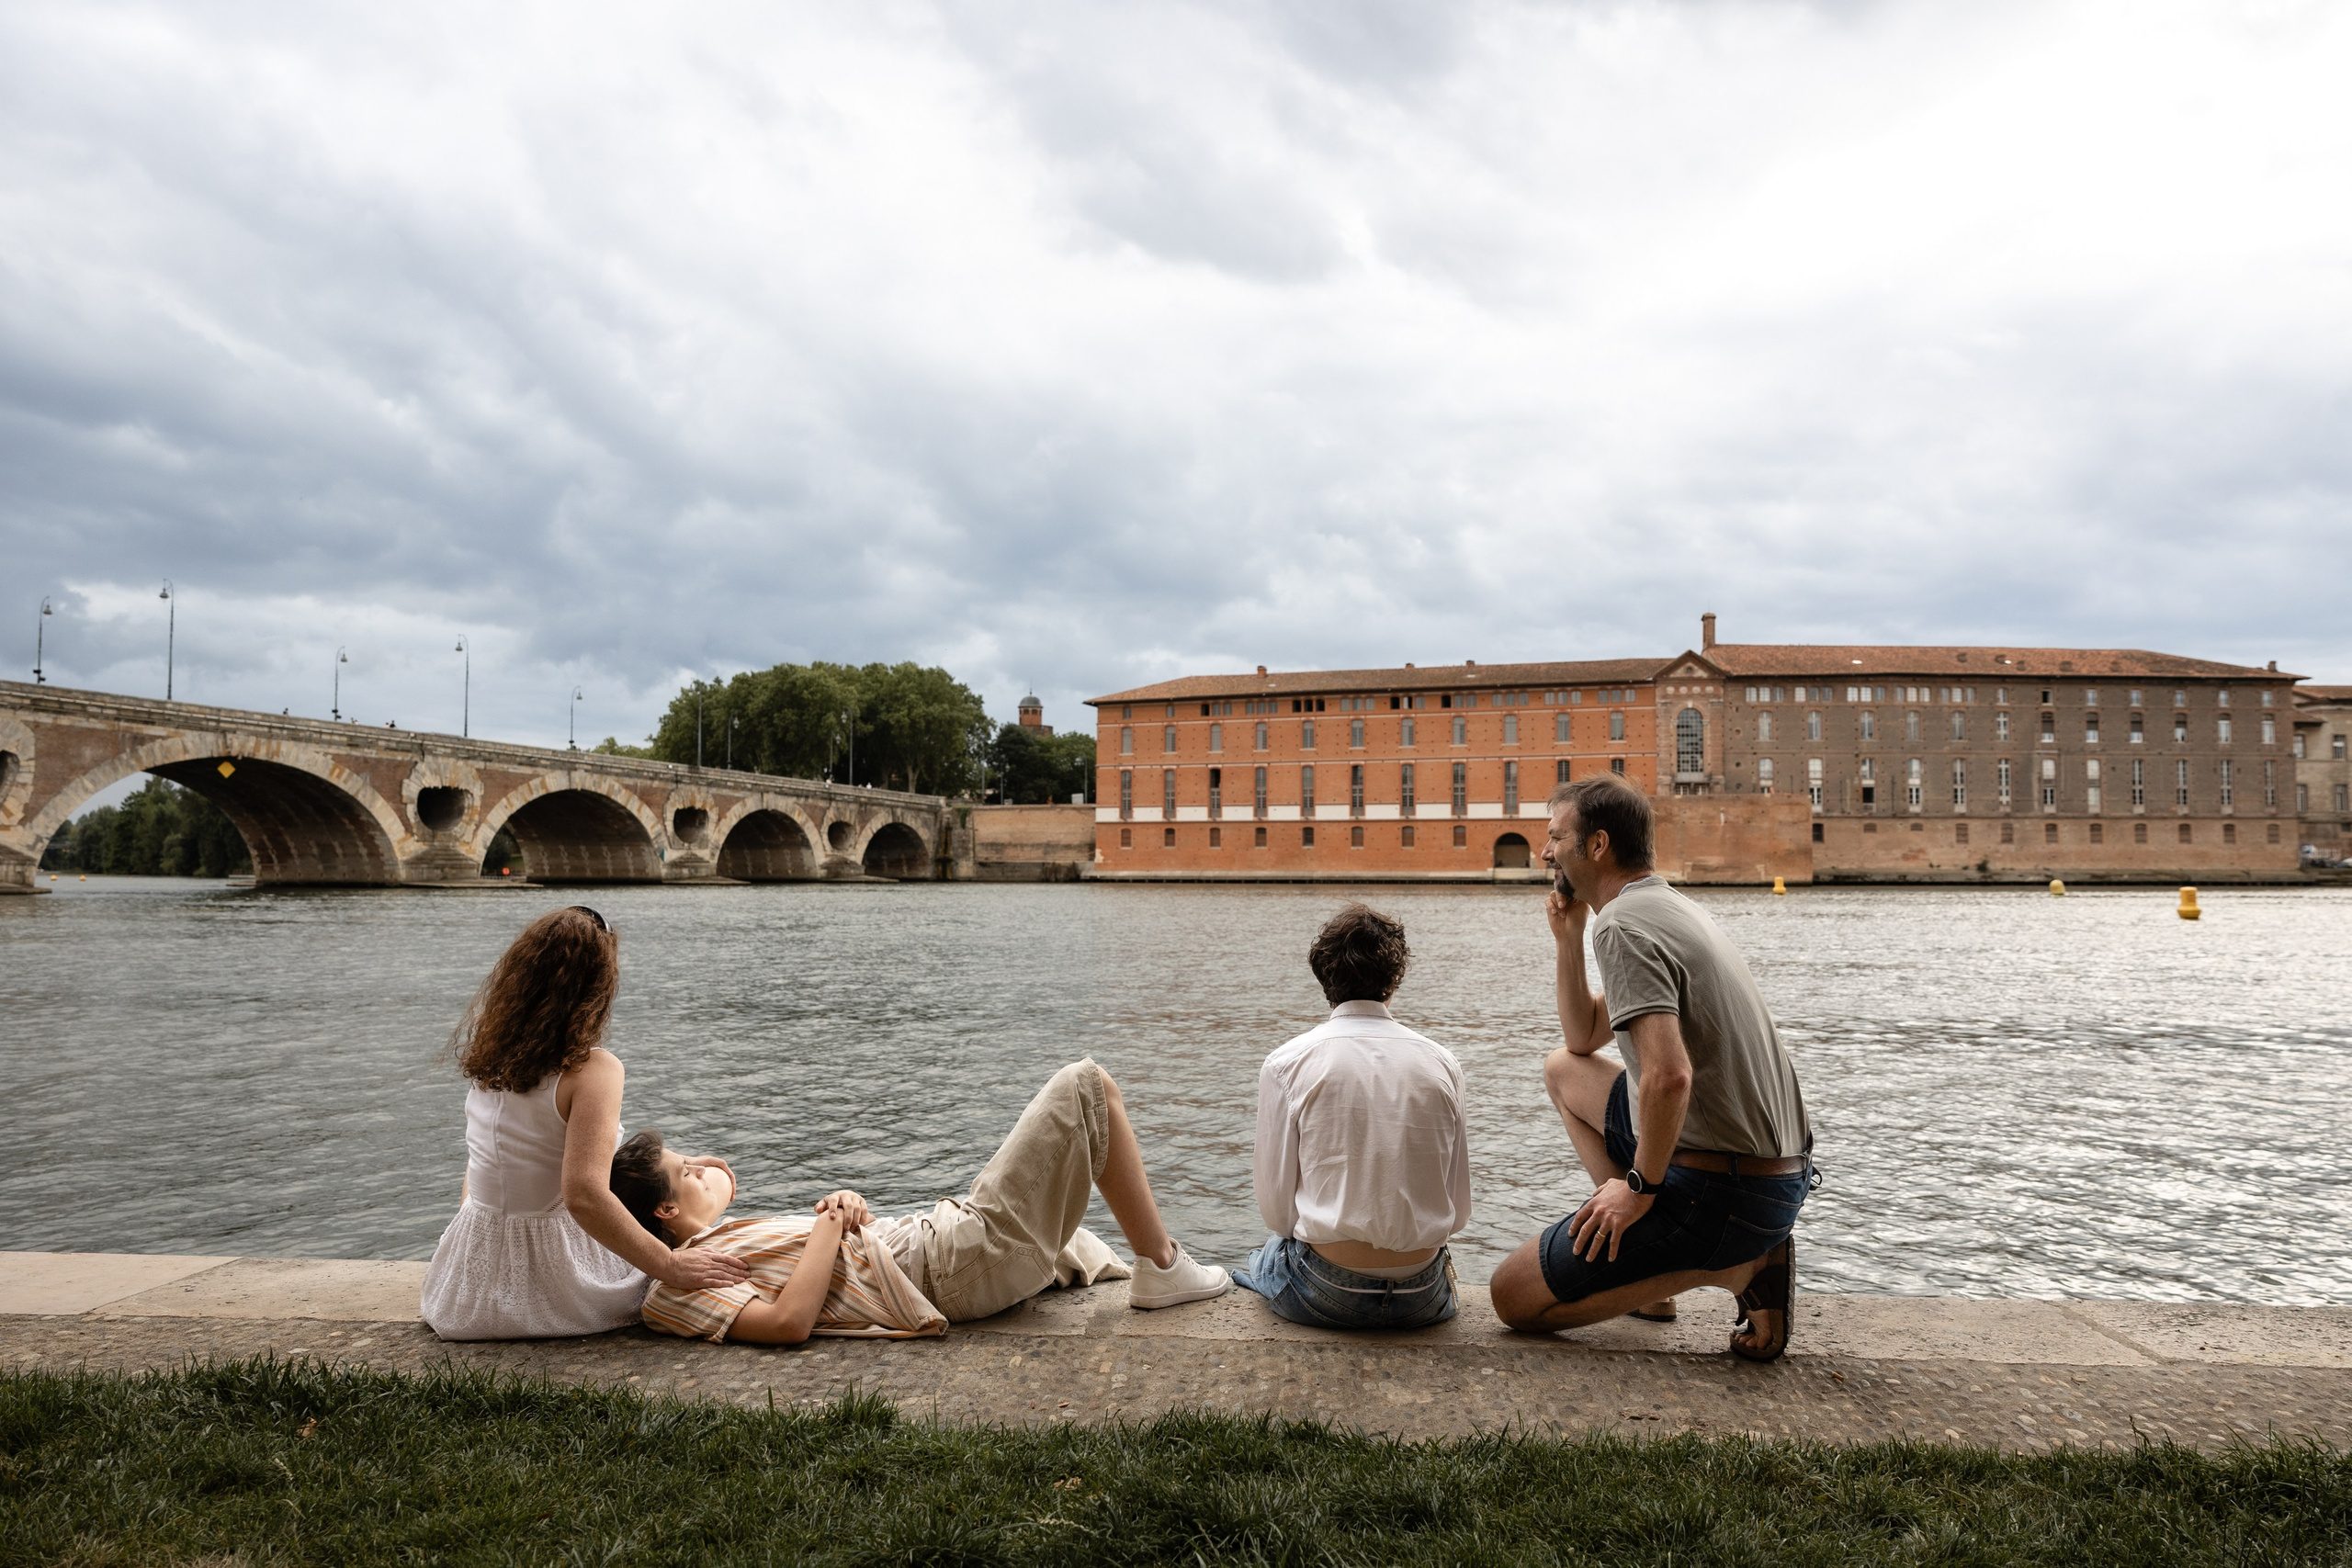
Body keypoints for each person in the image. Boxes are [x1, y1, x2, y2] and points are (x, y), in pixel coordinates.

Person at [1490, 775, 1815, 1361]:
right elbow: (1582, 1037)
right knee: (1564, 1069)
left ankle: (1740, 1267)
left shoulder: (1624, 927)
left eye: (1555, 837)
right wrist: (1568, 939)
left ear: (1597, 845)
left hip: (1729, 1190)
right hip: (1774, 1175)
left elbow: (1669, 1076)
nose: (1544, 852)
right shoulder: (1666, 908)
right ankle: (1647, 1269)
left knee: (1513, 1298)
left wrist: (1638, 1188)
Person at [610, 1059, 1231, 1344]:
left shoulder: (710, 1239)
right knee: (1086, 1085)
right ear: (665, 1211)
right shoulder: (674, 1288)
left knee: (1085, 1243)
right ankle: (1164, 1266)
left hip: (933, 1244)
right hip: (939, 1267)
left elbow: (723, 1180)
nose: (702, 1169)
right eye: (685, 1170)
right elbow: (786, 1324)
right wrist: (830, 1222)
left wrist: (841, 1207)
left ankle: (1158, 1267)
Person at [420, 906, 749, 1340]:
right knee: (697, 1208)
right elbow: (583, 1195)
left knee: (680, 1192)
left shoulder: (493, 1062)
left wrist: (682, 1163)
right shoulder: (593, 1070)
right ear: (597, 989)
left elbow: (498, 1163)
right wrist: (669, 1266)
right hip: (549, 1287)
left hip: (466, 1289)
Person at [1234, 904, 1471, 1330]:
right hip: (1422, 1295)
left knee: (1262, 1256)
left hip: (1328, 1291)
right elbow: (1459, 1210)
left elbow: (1278, 1216)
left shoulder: (1287, 1062)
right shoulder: (1443, 1063)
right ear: (1394, 979)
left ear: (1324, 979)